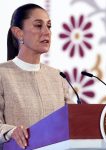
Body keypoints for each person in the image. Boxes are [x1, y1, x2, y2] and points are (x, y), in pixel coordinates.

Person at [0, 3, 72, 149]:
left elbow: (72, 122)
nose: (47, 32)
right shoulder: (2, 74)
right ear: (18, 32)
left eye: (49, 26)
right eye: (38, 25)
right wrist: (11, 131)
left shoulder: (58, 77)